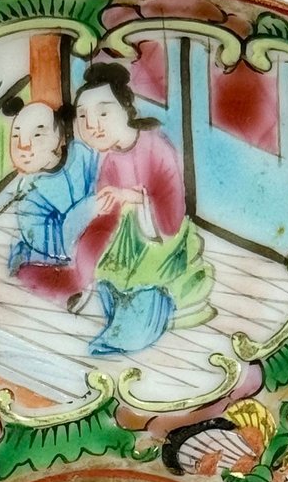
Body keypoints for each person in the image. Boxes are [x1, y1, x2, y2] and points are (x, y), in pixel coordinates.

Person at [68, 62, 214, 356]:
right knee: (105, 267)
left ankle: (128, 333)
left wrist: (133, 199)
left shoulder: (156, 148)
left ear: (126, 109)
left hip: (159, 238)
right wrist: (103, 208)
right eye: (82, 116)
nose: (92, 125)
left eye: (103, 113)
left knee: (143, 288)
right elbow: (106, 213)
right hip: (124, 238)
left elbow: (171, 213)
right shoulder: (110, 159)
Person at [2, 95, 99, 296]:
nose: (23, 146)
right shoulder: (28, 194)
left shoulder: (83, 155)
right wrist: (90, 207)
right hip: (49, 260)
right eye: (16, 136)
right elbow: (54, 246)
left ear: (60, 136)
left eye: (37, 135)